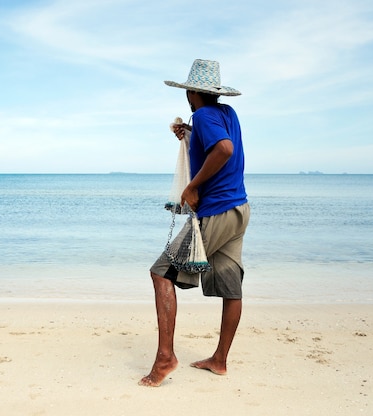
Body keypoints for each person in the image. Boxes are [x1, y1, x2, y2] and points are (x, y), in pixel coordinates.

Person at [139, 59, 250, 387]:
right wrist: (188, 135)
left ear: (192, 91)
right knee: (231, 287)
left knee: (161, 273)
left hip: (214, 212)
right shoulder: (226, 113)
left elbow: (224, 149)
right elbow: (219, 143)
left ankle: (165, 359)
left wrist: (191, 187)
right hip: (239, 210)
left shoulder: (202, 115)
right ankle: (219, 360)